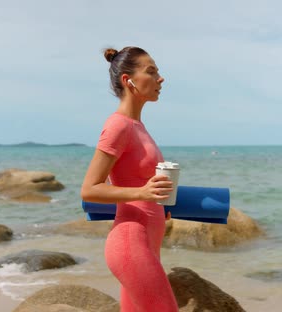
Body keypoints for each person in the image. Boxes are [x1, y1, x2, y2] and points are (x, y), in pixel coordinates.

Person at [80, 46, 178, 312]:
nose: (161, 78)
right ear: (128, 80)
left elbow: (140, 181)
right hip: (130, 242)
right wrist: (142, 194)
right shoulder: (118, 125)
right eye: (151, 71)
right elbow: (90, 189)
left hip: (147, 240)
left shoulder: (138, 127)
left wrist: (159, 203)